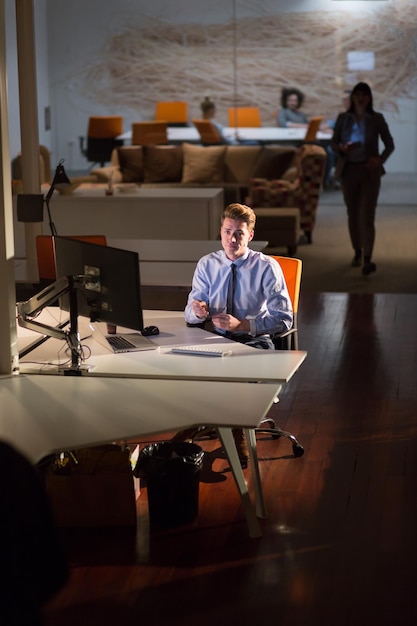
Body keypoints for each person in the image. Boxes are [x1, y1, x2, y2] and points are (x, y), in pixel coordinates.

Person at [176, 203, 293, 466]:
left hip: (254, 341)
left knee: (236, 372)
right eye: (227, 231)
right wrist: (196, 310)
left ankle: (236, 432)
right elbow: (188, 314)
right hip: (214, 338)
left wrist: (242, 326)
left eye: (239, 233)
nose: (232, 239)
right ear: (220, 231)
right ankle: (196, 423)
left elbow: (284, 319)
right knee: (178, 366)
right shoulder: (207, 264)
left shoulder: (266, 267)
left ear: (250, 235)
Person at [331, 82, 395, 275]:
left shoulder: (376, 119)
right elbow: (333, 143)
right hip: (348, 170)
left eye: (364, 95)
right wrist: (342, 148)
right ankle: (357, 252)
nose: (360, 98)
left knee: (366, 215)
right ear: (352, 97)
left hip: (369, 172)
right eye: (357, 94)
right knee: (352, 213)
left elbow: (390, 144)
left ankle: (368, 258)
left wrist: (379, 159)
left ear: (369, 98)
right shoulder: (344, 118)